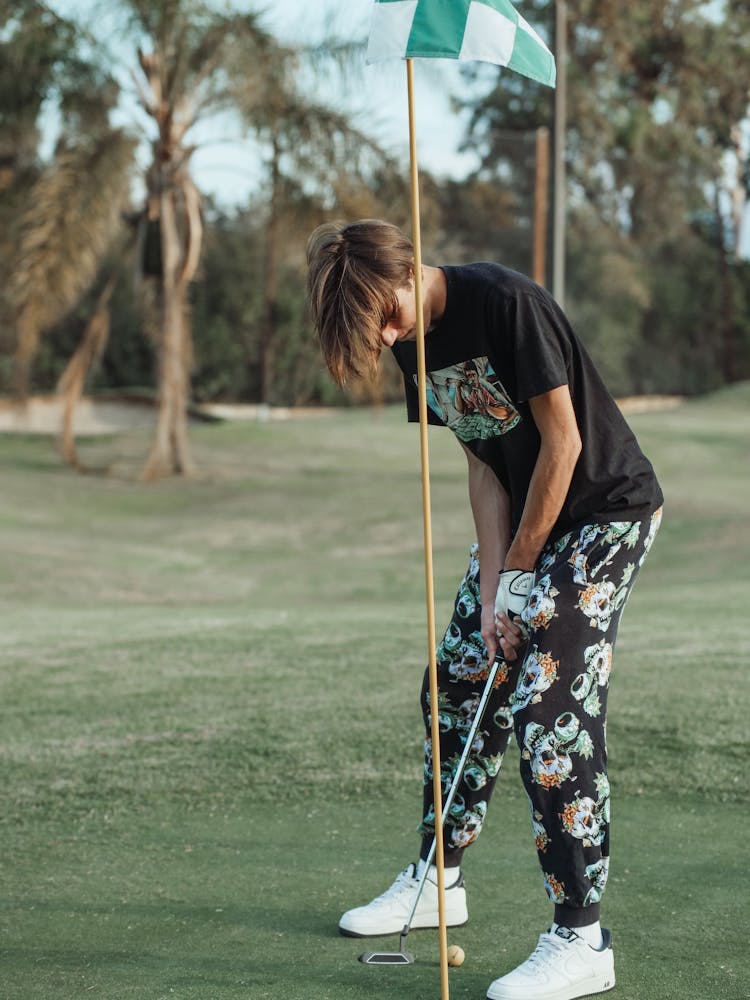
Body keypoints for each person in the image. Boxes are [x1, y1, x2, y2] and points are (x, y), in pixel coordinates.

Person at [306, 219, 664, 1000]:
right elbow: (485, 464)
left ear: (405, 269)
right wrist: (500, 581)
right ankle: (439, 880)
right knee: (459, 683)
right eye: (375, 331)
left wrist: (528, 572)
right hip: (529, 528)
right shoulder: (411, 345)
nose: (389, 335)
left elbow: (562, 445)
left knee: (549, 715)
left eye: (387, 315)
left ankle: (582, 939)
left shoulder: (505, 303)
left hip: (605, 514)